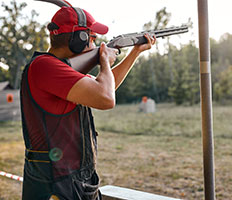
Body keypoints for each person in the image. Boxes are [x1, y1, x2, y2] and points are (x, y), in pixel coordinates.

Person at [20, 6, 155, 200]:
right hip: (56, 184)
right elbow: (105, 98)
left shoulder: (58, 69)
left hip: (70, 179)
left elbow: (105, 87)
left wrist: (135, 52)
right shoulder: (45, 66)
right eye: (92, 38)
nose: (95, 44)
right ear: (79, 39)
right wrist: (105, 62)